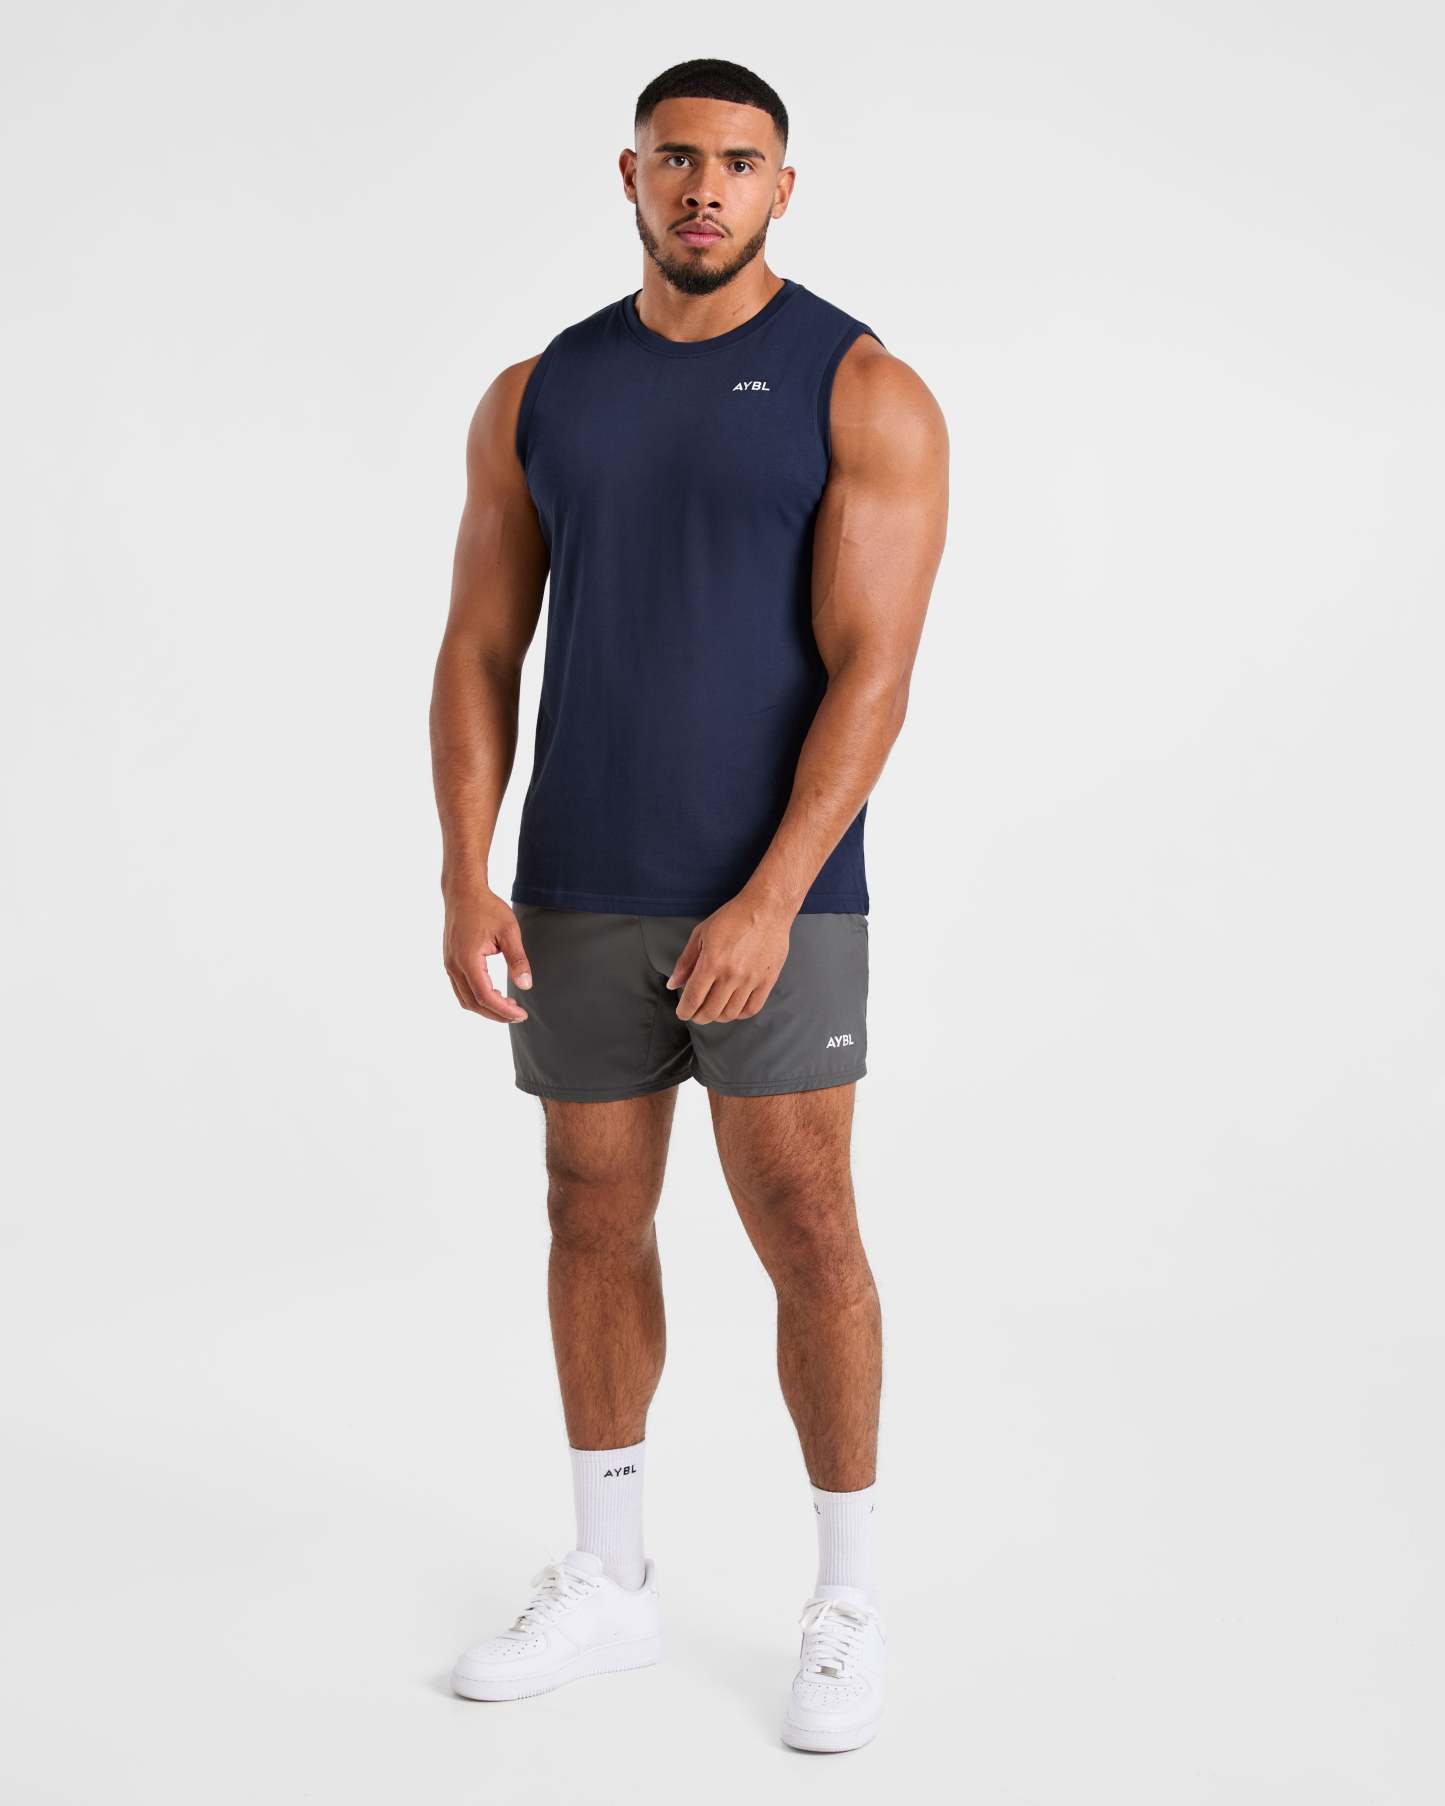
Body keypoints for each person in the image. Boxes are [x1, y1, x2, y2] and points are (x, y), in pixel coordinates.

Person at [429, 56, 948, 1753]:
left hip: (779, 895)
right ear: (630, 176)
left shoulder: (861, 388)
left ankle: (846, 1596)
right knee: (589, 1207)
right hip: (579, 880)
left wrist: (771, 897)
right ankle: (609, 1574)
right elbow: (480, 646)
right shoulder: (541, 391)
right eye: (676, 159)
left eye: (737, 161)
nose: (704, 186)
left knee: (806, 1222)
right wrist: (464, 867)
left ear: (782, 186)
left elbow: (874, 673)